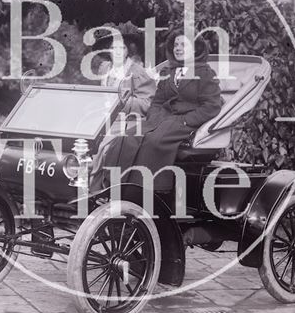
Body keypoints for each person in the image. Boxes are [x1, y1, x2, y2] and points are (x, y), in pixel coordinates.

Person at [99, 31, 222, 192]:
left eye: (183, 44)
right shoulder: (169, 72)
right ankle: (115, 185)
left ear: (195, 49)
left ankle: (146, 190)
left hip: (185, 122)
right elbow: (157, 101)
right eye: (176, 44)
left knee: (154, 141)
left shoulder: (205, 74)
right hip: (161, 119)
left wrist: (186, 120)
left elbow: (212, 106)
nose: (178, 48)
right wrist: (154, 117)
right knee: (126, 137)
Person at [89, 33, 156, 191]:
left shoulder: (137, 72)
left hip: (128, 121)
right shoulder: (105, 68)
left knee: (104, 149)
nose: (117, 51)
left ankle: (97, 190)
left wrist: (122, 103)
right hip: (104, 119)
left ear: (128, 50)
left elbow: (147, 103)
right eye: (113, 47)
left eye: (122, 47)